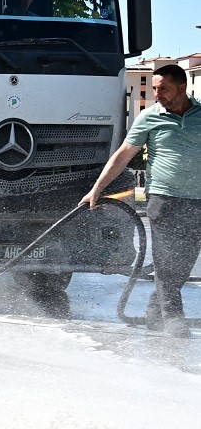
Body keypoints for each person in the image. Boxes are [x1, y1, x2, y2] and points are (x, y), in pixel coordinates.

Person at [82, 62, 201, 335]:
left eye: (163, 89)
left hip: (197, 199)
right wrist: (97, 189)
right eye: (155, 88)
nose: (156, 94)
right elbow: (123, 155)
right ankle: (173, 317)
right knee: (166, 258)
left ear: (182, 88)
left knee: (184, 260)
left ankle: (154, 309)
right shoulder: (149, 117)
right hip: (163, 198)